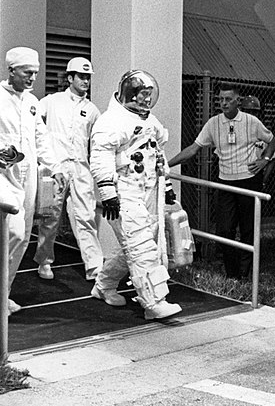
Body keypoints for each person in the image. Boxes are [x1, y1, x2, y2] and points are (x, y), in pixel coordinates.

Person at [90, 69, 182, 320]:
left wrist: (167, 187)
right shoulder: (111, 122)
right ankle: (154, 302)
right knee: (141, 246)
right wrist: (108, 192)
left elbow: (158, 156)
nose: (146, 100)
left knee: (137, 243)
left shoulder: (150, 121)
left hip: (148, 190)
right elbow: (100, 157)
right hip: (123, 191)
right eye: (141, 94)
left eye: (149, 95)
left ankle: (103, 286)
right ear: (129, 94)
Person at [168, 84, 275, 279]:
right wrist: (167, 165)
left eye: (228, 99)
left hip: (248, 181)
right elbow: (193, 149)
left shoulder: (251, 121)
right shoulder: (213, 123)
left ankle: (245, 275)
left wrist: (264, 160)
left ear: (238, 101)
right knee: (224, 230)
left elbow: (272, 140)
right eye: (220, 99)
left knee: (248, 230)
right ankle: (232, 273)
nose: (224, 103)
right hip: (225, 182)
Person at [1, 47, 65, 315]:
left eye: (36, 73)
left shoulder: (32, 103)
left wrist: (55, 167)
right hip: (3, 173)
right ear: (12, 70)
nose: (32, 79)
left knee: (24, 236)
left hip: (28, 175)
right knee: (11, 232)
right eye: (28, 73)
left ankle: (4, 294)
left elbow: (41, 138)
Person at [33, 57, 104, 281]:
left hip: (81, 168)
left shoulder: (92, 110)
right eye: (81, 77)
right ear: (70, 77)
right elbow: (33, 122)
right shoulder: (51, 101)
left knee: (86, 217)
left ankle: (94, 268)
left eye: (88, 77)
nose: (85, 81)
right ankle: (44, 261)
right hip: (56, 167)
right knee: (51, 216)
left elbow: (97, 142)